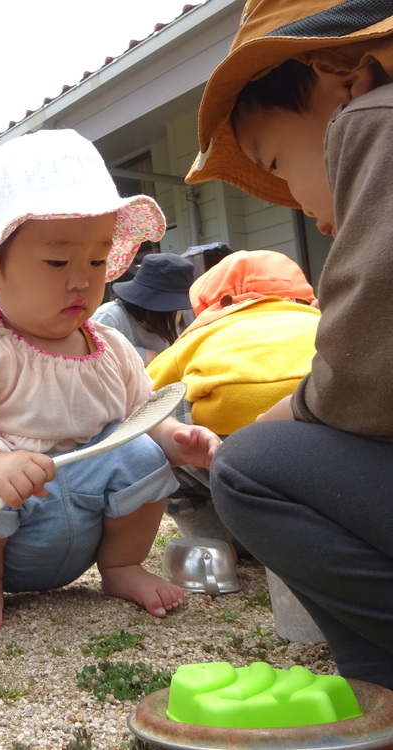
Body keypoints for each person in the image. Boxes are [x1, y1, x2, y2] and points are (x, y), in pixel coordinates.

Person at [0, 130, 220, 631]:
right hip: (6, 517)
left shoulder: (112, 346)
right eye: (57, 261)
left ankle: (121, 566)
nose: (82, 279)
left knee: (140, 454)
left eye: (97, 260)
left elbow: (138, 413)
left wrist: (173, 438)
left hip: (88, 512)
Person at [185, 0, 393, 688]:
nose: (295, 201)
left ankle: (378, 681)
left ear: (340, 73)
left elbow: (368, 370)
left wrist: (285, 416)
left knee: (252, 467)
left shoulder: (374, 118)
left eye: (277, 161)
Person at [146, 250, 319, 543]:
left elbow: (145, 388)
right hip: (322, 426)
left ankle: (216, 542)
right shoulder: (315, 317)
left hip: (229, 445)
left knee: (161, 425)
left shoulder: (203, 331)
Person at [91, 252, 195, 364]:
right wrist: (137, 356)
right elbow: (84, 359)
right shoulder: (108, 318)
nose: (179, 312)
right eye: (175, 307)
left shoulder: (170, 322)